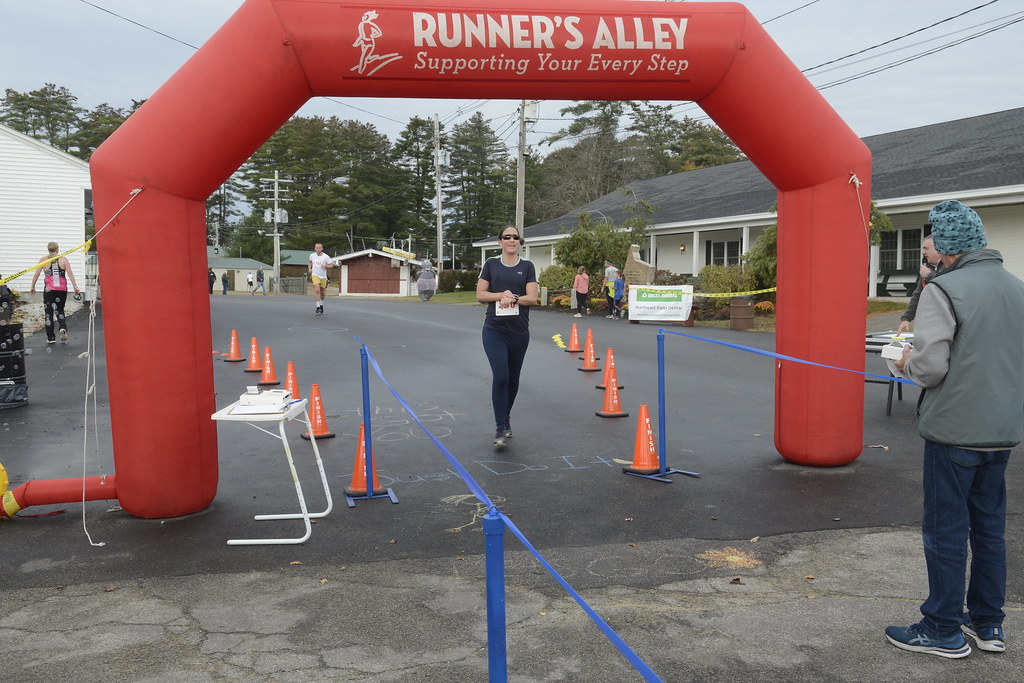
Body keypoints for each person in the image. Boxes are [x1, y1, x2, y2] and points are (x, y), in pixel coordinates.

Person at [887, 200, 1024, 658]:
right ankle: (988, 623)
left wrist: (905, 363)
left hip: (954, 430)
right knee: (988, 527)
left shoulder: (942, 290)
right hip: (1002, 428)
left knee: (946, 529)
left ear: (944, 247)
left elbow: (929, 369)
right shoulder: (1016, 287)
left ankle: (942, 626)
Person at [476, 226, 538, 447]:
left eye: (515, 237)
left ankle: (506, 416)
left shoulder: (527, 266)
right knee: (501, 376)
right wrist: (501, 295)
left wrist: (513, 298)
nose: (512, 240)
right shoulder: (491, 265)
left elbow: (532, 298)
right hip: (494, 330)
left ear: (520, 241)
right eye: (507, 237)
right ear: (500, 242)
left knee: (513, 379)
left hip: (520, 332)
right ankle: (500, 426)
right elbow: (480, 294)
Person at [29, 242, 80, 344]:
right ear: (58, 249)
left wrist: (32, 286)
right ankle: (62, 328)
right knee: (60, 310)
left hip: (49, 290)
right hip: (61, 289)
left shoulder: (43, 260)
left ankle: (51, 338)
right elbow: (70, 274)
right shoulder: (64, 260)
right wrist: (75, 287)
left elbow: (36, 274)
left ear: (48, 249)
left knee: (49, 312)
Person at [897, 235, 944, 334]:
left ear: (937, 249)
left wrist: (928, 275)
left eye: (926, 248)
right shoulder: (928, 267)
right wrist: (906, 319)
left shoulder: (948, 266)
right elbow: (918, 294)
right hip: (930, 320)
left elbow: (945, 286)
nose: (923, 252)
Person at [308, 243, 334, 315]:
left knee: (322, 293)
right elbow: (309, 261)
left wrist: (325, 266)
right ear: (315, 248)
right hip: (315, 275)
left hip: (323, 276)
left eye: (319, 248)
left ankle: (321, 305)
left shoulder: (326, 257)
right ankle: (317, 306)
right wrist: (309, 268)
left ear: (322, 249)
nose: (318, 249)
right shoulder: (312, 255)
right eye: (317, 248)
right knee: (317, 290)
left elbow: (331, 265)